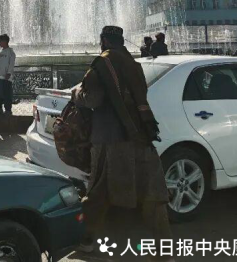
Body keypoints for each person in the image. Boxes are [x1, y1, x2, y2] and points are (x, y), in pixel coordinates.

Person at [72, 25, 171, 256]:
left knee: (98, 192)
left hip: (109, 139)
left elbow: (93, 99)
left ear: (104, 41)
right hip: (140, 135)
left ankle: (87, 240)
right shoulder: (133, 64)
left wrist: (76, 94)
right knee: (152, 194)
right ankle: (163, 250)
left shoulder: (102, 64)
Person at [0, 34, 16, 115]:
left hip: (6, 77)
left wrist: (9, 73)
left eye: (0, 41)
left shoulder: (11, 52)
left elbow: (11, 63)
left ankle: (8, 110)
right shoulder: (0, 52)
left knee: (6, 94)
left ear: (5, 41)